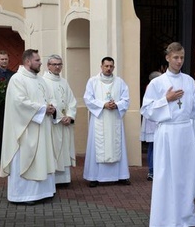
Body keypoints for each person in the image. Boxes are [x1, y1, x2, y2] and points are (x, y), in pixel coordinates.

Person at [142, 43, 195, 227]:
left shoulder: (188, 81)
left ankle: (185, 220)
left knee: (187, 177)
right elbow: (147, 110)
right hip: (167, 133)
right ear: (168, 57)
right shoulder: (158, 83)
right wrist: (165, 100)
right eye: (176, 57)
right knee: (168, 177)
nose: (179, 61)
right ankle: (167, 222)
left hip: (186, 133)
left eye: (182, 58)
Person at [0, 49, 57, 203]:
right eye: (37, 60)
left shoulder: (40, 80)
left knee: (42, 158)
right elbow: (19, 102)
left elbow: (50, 98)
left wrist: (52, 108)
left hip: (42, 127)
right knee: (25, 159)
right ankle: (22, 195)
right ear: (27, 61)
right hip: (25, 129)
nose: (40, 63)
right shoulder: (17, 79)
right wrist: (42, 108)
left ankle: (43, 192)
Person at [83, 57, 131, 187]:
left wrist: (117, 105)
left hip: (114, 118)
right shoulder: (93, 81)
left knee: (117, 145)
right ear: (101, 66)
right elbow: (88, 99)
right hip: (99, 119)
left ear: (113, 67)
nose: (109, 69)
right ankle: (94, 177)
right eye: (106, 66)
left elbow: (126, 99)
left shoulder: (120, 82)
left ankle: (120, 176)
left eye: (111, 66)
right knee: (97, 146)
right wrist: (103, 104)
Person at [43, 54, 77, 185]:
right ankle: (53, 180)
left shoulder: (64, 82)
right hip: (53, 123)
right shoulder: (44, 81)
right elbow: (46, 102)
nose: (57, 67)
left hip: (65, 124)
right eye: (54, 64)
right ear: (48, 66)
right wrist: (59, 117)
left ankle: (64, 179)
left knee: (64, 149)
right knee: (54, 149)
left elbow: (71, 101)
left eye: (59, 64)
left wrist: (70, 116)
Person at [140, 71, 162, 181]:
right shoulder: (152, 87)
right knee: (153, 146)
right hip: (153, 120)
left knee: (153, 147)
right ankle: (152, 170)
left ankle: (153, 170)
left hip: (154, 120)